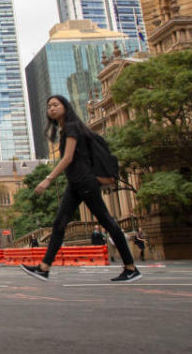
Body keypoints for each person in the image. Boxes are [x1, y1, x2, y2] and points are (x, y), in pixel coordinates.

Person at [21, 95, 141, 282]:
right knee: (59, 224)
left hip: (85, 182)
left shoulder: (71, 127)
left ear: (65, 107)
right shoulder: (65, 130)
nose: (51, 108)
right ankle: (44, 268)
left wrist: (48, 179)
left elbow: (68, 158)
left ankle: (131, 267)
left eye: (55, 105)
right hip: (76, 183)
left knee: (107, 222)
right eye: (49, 106)